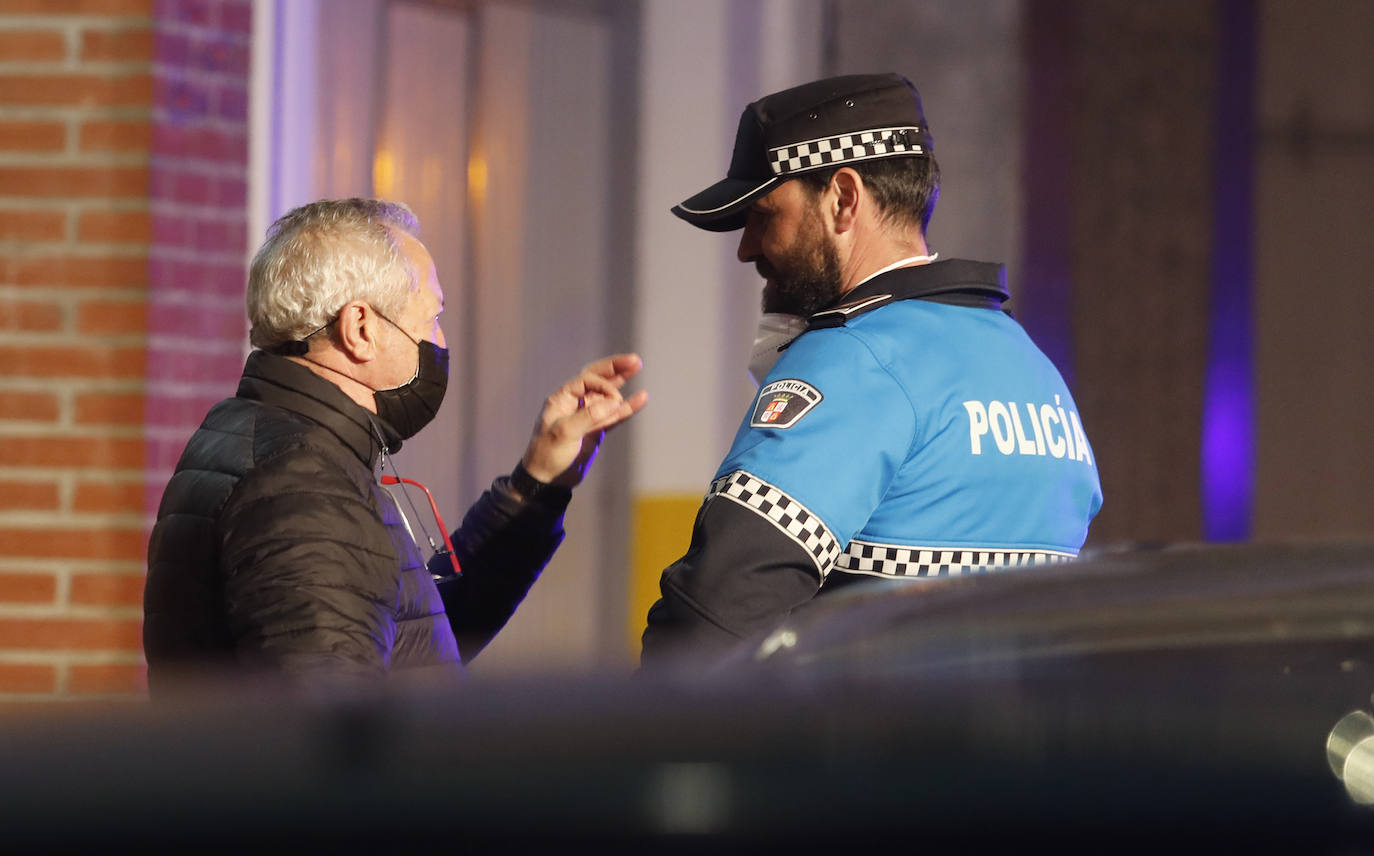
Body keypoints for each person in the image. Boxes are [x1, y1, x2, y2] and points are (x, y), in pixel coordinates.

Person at [641, 73, 1102, 667]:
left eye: (763, 214)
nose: (747, 247)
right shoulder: (1032, 371)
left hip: (867, 754)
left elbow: (714, 616)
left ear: (843, 198)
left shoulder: (854, 362)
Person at [143, 198, 647, 694]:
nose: (440, 340)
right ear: (361, 329)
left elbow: (414, 635)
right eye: (431, 318)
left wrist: (536, 483)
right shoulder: (300, 485)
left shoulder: (270, 440)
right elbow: (331, 743)